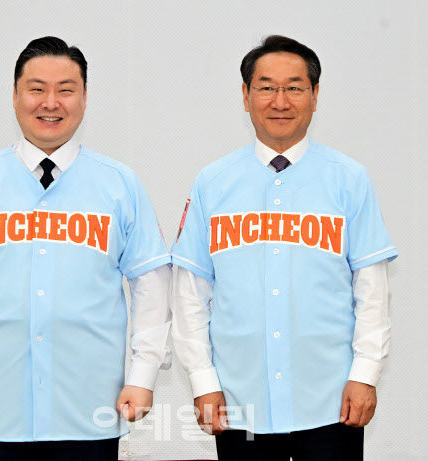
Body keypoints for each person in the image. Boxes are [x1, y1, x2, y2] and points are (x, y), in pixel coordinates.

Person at [0, 36, 171, 461]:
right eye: (37, 89)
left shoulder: (119, 183)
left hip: (90, 404)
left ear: (84, 98)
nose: (50, 103)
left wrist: (143, 374)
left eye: (65, 90)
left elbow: (152, 285)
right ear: (15, 96)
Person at [170, 35, 397, 460]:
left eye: (294, 87)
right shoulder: (213, 182)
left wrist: (366, 374)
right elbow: (190, 293)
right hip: (239, 401)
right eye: (266, 87)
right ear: (245, 95)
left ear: (315, 95)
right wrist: (203, 380)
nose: (280, 101)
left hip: (332, 400)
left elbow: (372, 289)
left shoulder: (349, 179)